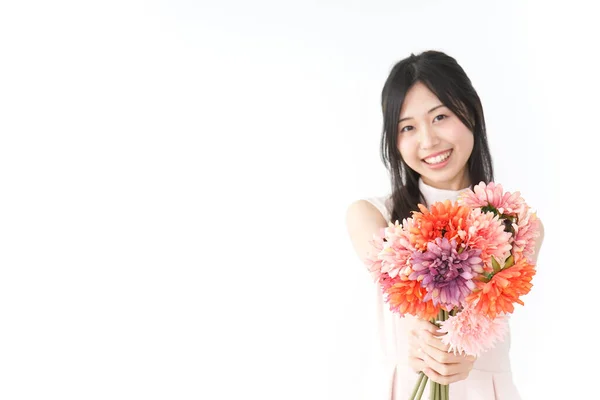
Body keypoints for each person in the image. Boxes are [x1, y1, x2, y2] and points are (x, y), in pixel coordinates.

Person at [345, 50, 544, 399]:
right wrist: (421, 333)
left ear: (471, 113)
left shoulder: (519, 223)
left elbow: (493, 307)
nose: (428, 141)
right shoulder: (371, 215)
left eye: (440, 117)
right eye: (407, 127)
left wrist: (464, 345)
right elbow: (395, 288)